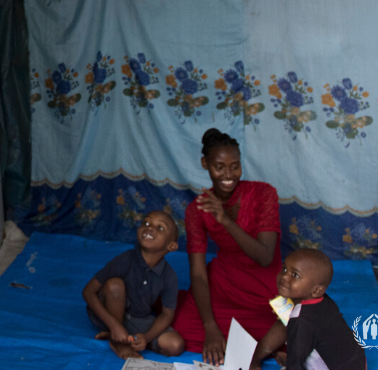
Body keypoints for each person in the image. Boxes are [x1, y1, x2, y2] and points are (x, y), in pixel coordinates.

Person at [172, 128, 283, 364]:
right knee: (181, 326)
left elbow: (265, 257)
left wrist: (224, 219)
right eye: (219, 166)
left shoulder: (263, 193)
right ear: (205, 164)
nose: (228, 174)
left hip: (265, 286)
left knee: (285, 328)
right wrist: (210, 326)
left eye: (235, 166)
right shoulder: (197, 209)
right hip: (224, 282)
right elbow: (199, 274)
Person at [82, 210, 186, 360]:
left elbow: (166, 314)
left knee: (175, 345)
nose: (150, 228)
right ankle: (117, 341)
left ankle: (128, 339)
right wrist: (114, 326)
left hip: (138, 318)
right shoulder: (125, 260)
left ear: (171, 246)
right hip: (109, 314)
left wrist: (146, 338)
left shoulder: (169, 276)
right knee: (115, 285)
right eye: (146, 223)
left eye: (160, 228)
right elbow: (88, 292)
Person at [250, 250, 367, 370]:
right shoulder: (324, 301)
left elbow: (294, 364)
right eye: (284, 269)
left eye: (295, 275)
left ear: (317, 291)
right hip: (357, 363)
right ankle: (254, 359)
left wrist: (290, 361)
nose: (284, 276)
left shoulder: (301, 320)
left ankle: (254, 359)